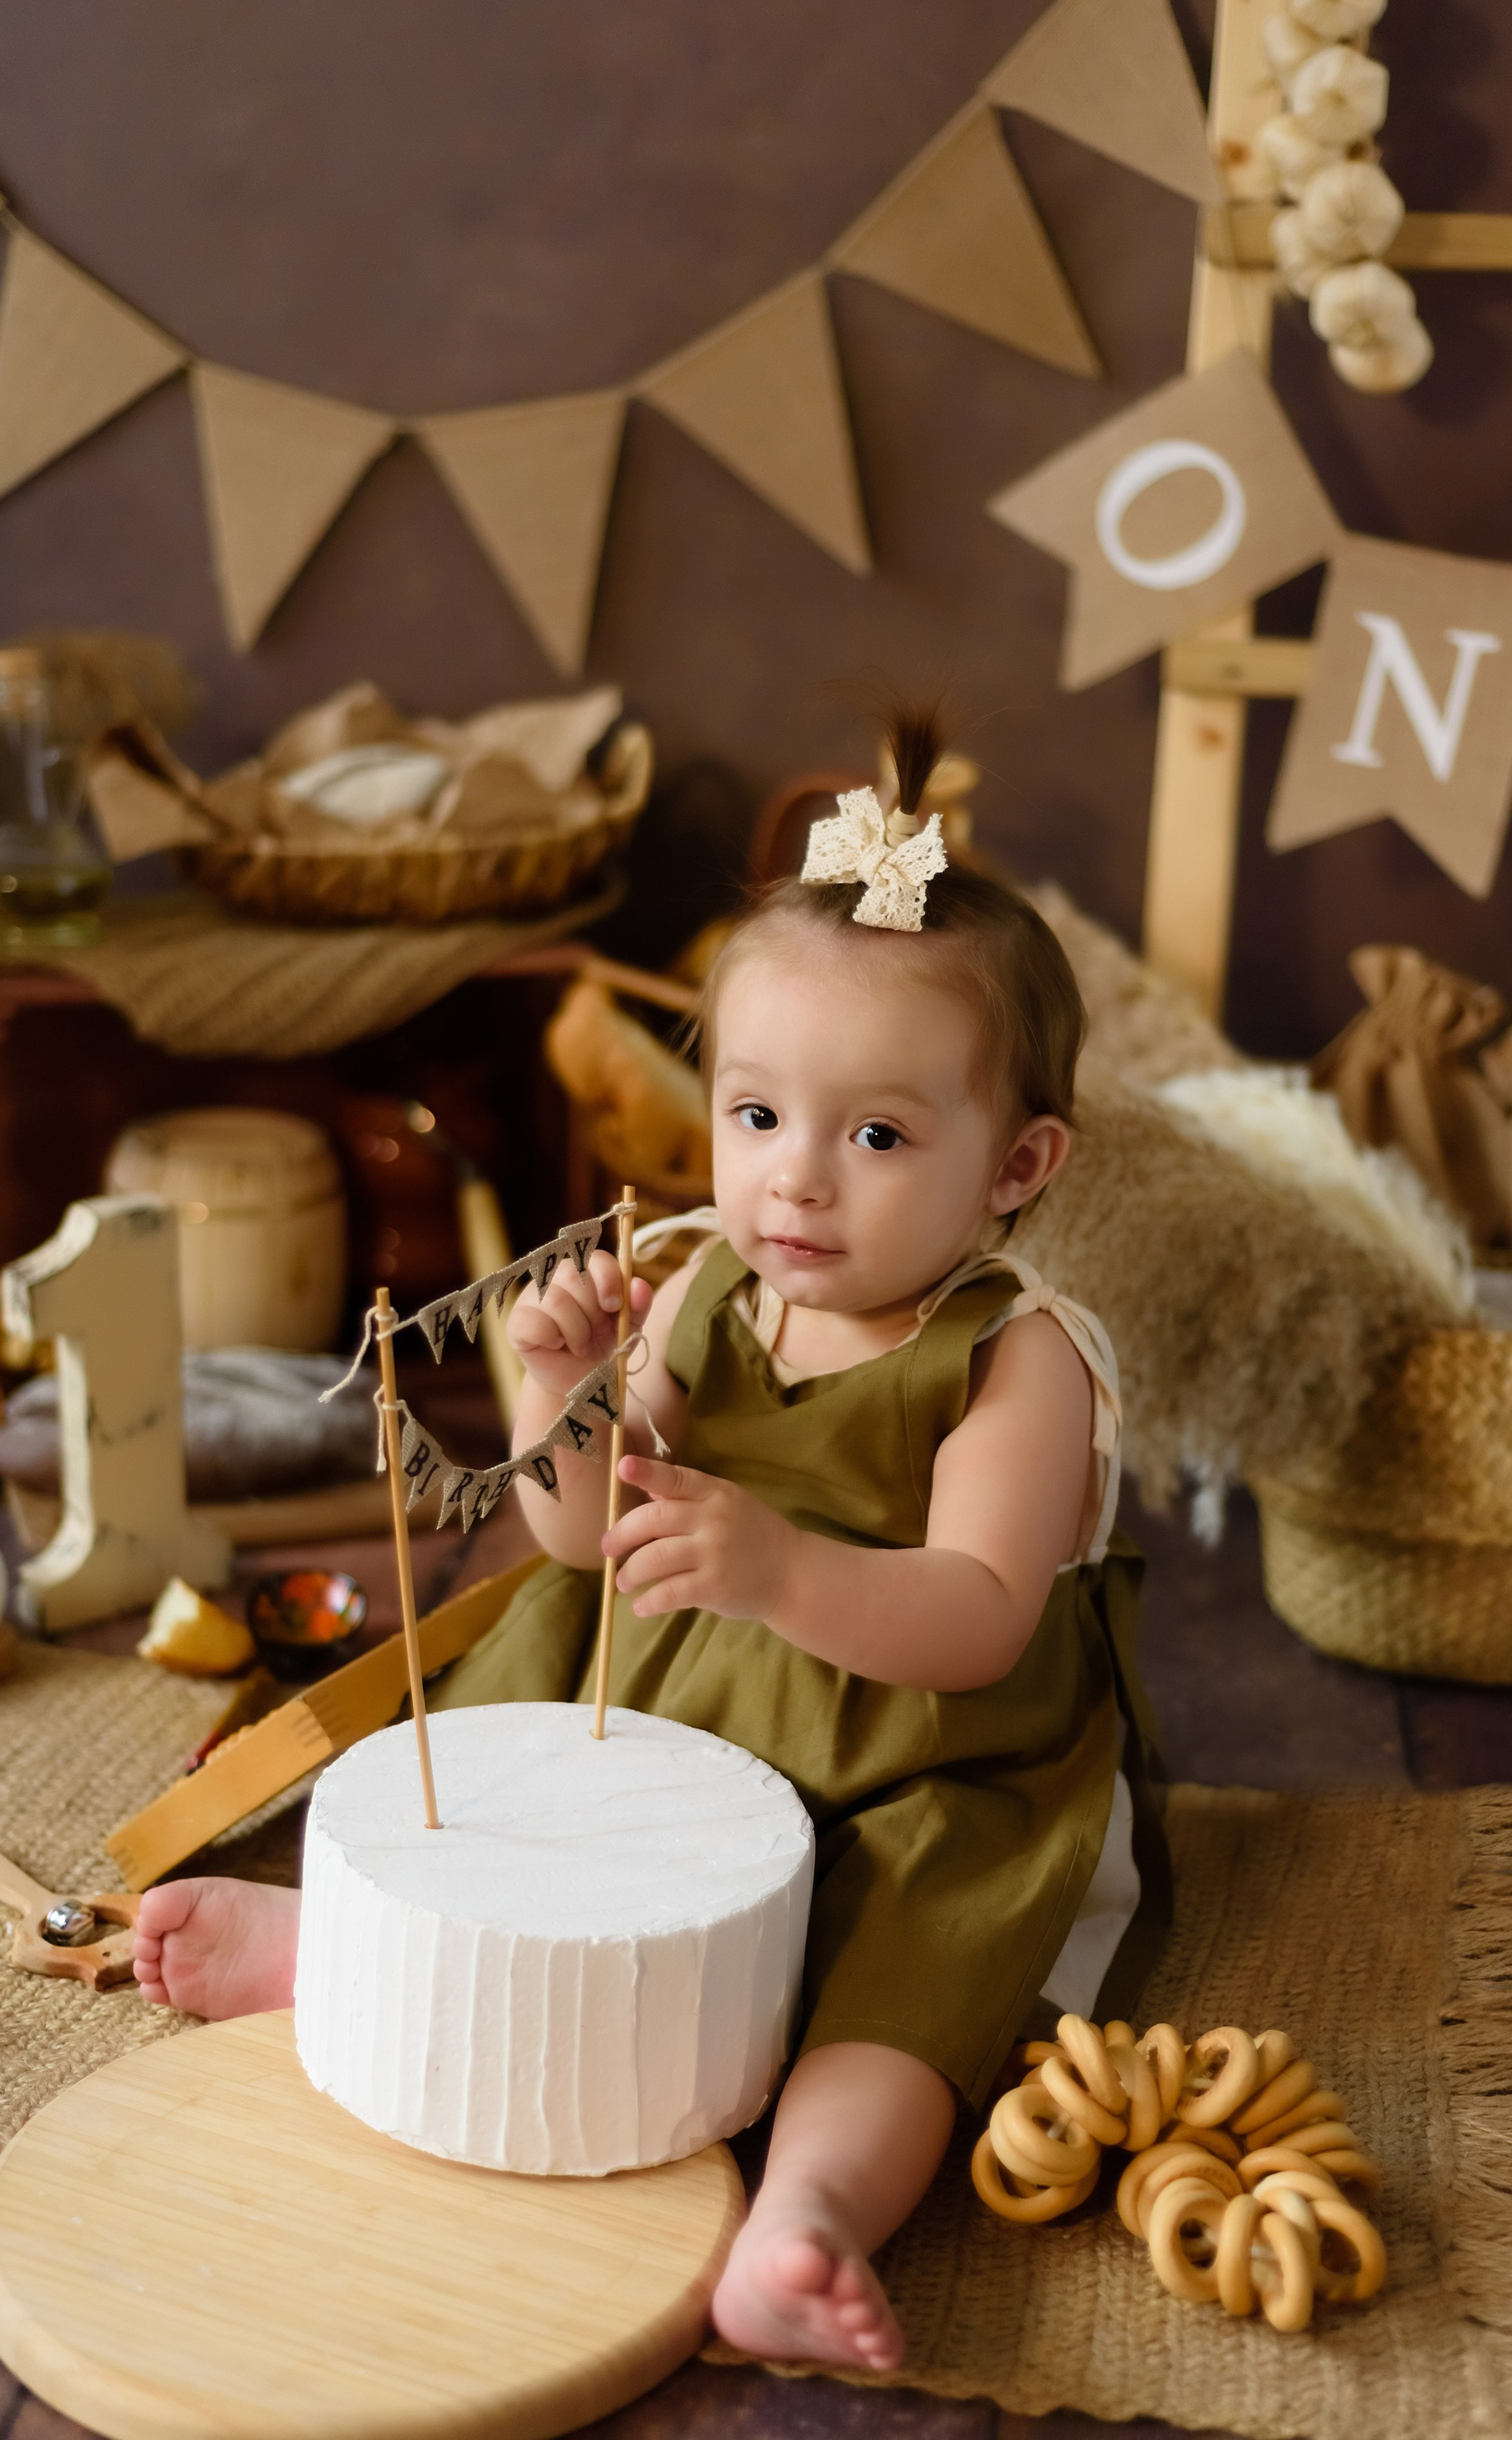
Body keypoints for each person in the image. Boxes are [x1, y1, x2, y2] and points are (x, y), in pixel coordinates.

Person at [134, 705, 1167, 2376]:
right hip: (670, 1685)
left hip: (909, 1740)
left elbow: (980, 1617)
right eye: (757, 1114)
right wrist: (559, 1387)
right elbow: (575, 1533)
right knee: (511, 1777)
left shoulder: (1016, 1355)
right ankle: (352, 1958)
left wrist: (778, 1571)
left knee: (915, 1959)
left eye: (879, 1133)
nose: (796, 1183)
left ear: (1018, 1166)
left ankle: (805, 2214)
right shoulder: (703, 1282)